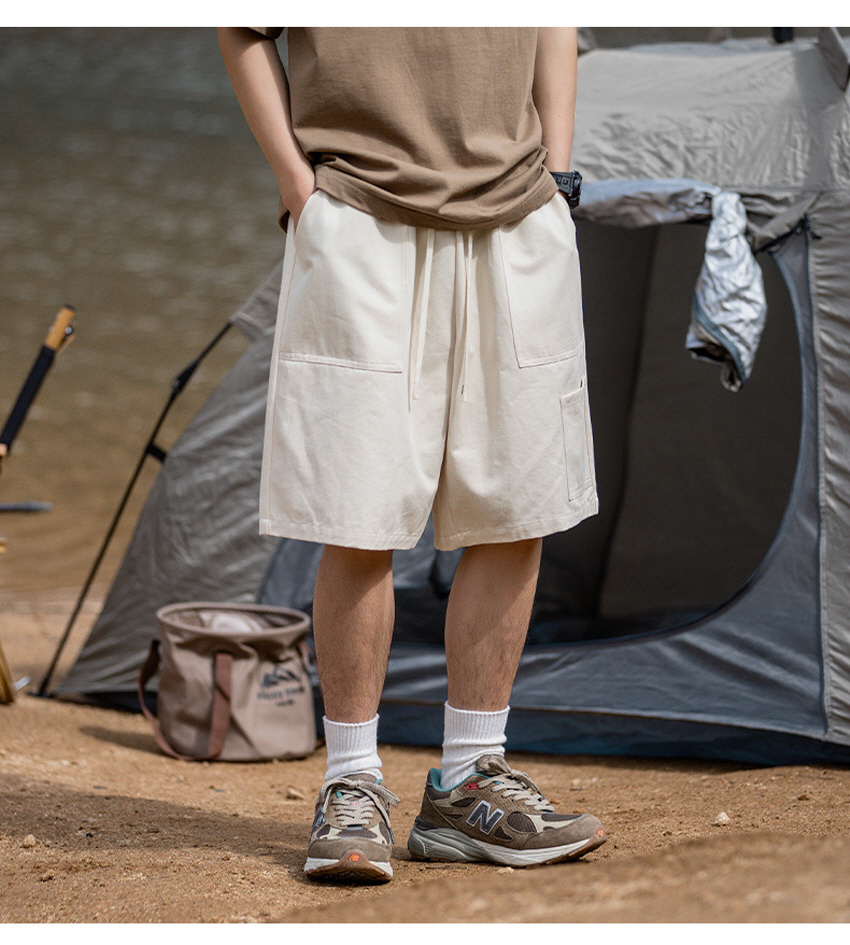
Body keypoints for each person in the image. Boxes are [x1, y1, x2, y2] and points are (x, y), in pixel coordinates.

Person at [218, 26, 605, 883]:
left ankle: (470, 780)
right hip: (359, 216)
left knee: (516, 508)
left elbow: (555, 23)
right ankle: (352, 781)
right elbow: (241, 27)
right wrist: (297, 186)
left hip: (519, 218)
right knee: (358, 513)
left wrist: (559, 180)